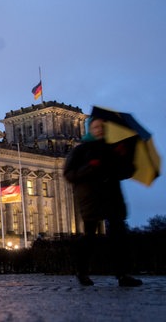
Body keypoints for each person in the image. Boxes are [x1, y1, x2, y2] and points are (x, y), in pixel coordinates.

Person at [63, 117, 142, 287]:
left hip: (112, 196)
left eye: (101, 126)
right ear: (89, 128)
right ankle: (82, 272)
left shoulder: (112, 148)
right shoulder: (80, 150)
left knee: (119, 235)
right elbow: (69, 174)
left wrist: (126, 158)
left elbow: (126, 172)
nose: (99, 129)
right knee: (90, 236)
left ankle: (123, 275)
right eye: (95, 126)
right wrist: (90, 166)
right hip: (90, 198)